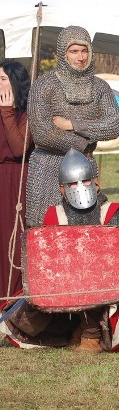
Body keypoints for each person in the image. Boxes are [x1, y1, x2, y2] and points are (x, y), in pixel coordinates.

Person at [0, 149, 119, 353]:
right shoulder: (56, 214)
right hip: (66, 285)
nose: (79, 188)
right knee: (21, 315)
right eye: (72, 184)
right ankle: (73, 328)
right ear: (62, 189)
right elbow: (49, 259)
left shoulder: (112, 213)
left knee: (89, 279)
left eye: (85, 182)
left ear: (96, 183)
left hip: (104, 285)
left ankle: (92, 335)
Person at [25, 25, 119, 228]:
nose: (81, 57)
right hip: (48, 167)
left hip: (85, 171)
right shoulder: (44, 85)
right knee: (45, 230)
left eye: (84, 50)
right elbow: (42, 133)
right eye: (74, 51)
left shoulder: (99, 87)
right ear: (63, 53)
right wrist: (84, 144)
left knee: (84, 229)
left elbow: (113, 125)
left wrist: (72, 124)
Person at [0, 60, 33, 302]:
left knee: (9, 237)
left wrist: (7, 111)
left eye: (2, 79)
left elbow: (18, 148)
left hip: (15, 180)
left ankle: (12, 297)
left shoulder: (27, 113)